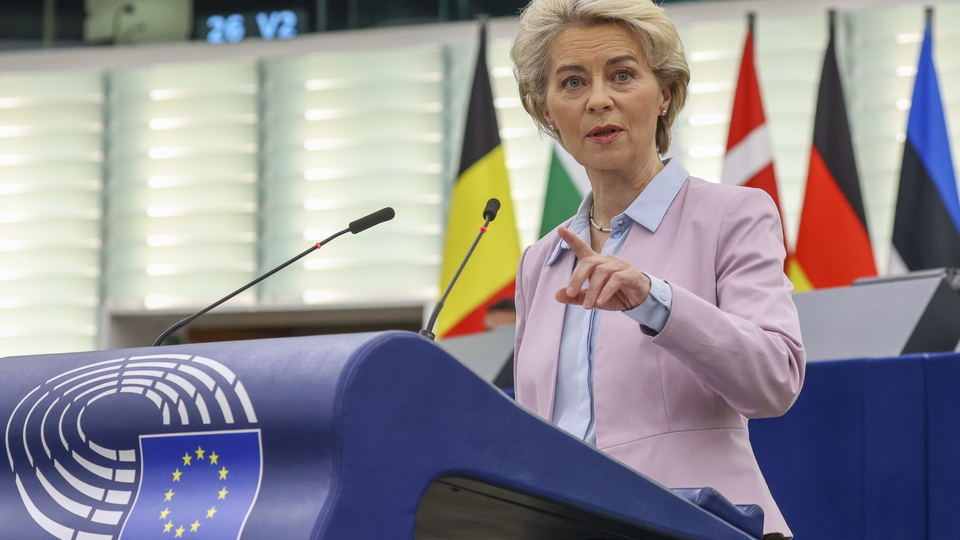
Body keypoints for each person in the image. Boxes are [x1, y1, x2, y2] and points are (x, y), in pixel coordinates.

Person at [509, 0, 805, 538]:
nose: (599, 100)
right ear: (547, 111)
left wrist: (655, 300)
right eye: (572, 83)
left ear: (665, 92)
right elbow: (534, 440)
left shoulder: (734, 215)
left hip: (699, 527)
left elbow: (775, 382)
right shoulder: (540, 262)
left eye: (622, 75)